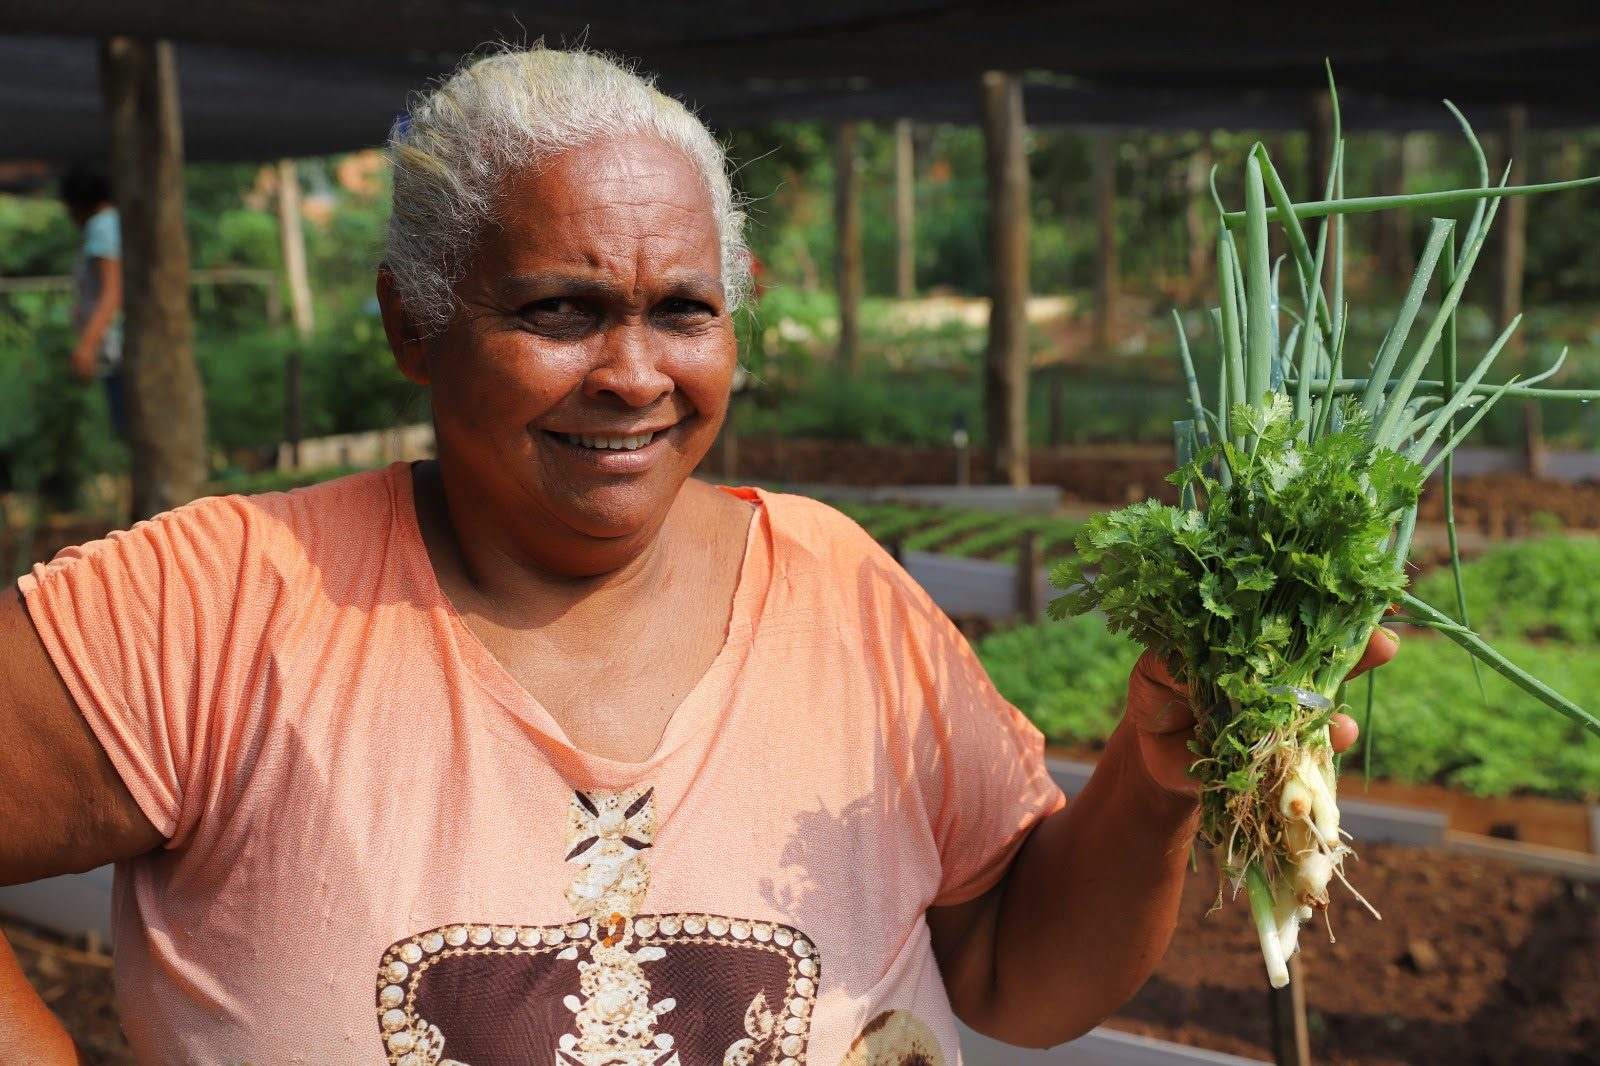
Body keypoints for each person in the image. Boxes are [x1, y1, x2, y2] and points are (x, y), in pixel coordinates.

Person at [0, 47, 1394, 1064]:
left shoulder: (841, 592)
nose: (633, 373)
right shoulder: (222, 605)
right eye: (560, 308)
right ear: (412, 324)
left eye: (682, 309)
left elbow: (1016, 970)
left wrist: (1153, 787)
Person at [60, 168, 128, 438]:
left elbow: (113, 291)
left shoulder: (101, 226)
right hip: (122, 346)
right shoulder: (117, 222)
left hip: (119, 347)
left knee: (129, 427)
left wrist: (87, 344)